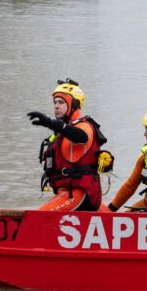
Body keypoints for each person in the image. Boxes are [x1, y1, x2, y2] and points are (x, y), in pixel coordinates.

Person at [28, 79, 106, 211]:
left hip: (80, 194)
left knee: (39, 216)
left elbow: (82, 136)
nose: (56, 106)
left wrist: (50, 122)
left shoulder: (84, 125)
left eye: (61, 102)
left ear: (74, 104)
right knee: (37, 213)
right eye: (55, 102)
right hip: (66, 192)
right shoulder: (62, 131)